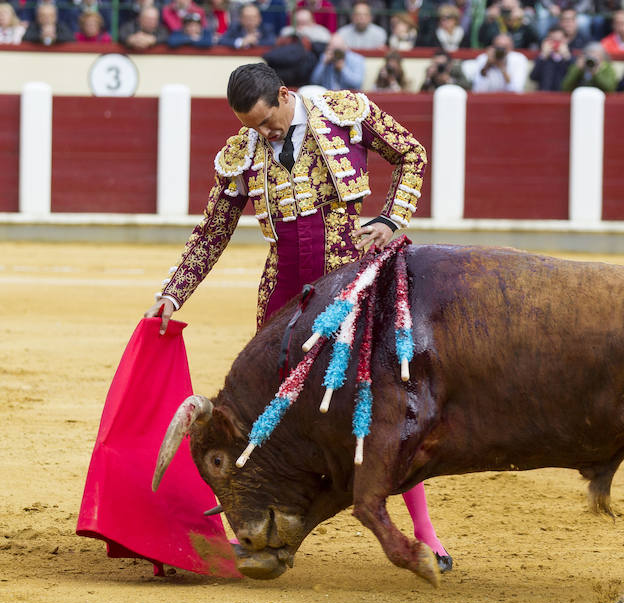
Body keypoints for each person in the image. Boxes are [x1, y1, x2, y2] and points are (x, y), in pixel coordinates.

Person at [143, 62, 452, 572]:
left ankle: (425, 532)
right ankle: (266, 531)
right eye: (253, 128)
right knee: (269, 415)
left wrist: (391, 219)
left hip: (351, 278)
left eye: (269, 122)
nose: (264, 134)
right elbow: (212, 232)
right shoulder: (242, 152)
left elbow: (411, 155)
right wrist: (173, 294)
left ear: (285, 95)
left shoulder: (345, 114)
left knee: (382, 406)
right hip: (285, 297)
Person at [463, 32, 529, 93]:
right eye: (498, 47)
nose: (501, 51)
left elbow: (516, 90)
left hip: (510, 103)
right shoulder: (483, 59)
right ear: (493, 46)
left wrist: (502, 69)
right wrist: (487, 65)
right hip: (488, 101)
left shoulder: (519, 59)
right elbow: (478, 90)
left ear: (511, 48)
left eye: (504, 48)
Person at [529, 25, 574, 91]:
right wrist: (543, 56)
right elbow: (533, 77)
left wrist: (566, 56)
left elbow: (574, 79)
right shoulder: (542, 58)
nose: (556, 44)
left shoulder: (571, 58)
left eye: (559, 40)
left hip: (564, 97)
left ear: (566, 40)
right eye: (553, 40)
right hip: (544, 97)